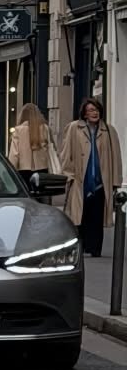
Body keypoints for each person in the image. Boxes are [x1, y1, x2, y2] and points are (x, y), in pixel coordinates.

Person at [59, 96, 122, 258]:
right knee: (80, 215)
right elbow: (65, 153)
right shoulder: (74, 128)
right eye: (91, 110)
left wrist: (116, 181)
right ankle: (81, 247)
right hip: (80, 179)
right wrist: (68, 174)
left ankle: (95, 248)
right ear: (85, 114)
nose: (95, 113)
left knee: (97, 215)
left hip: (101, 181)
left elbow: (116, 157)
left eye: (97, 110)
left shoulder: (108, 130)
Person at [7, 101, 56, 175]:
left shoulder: (18, 130)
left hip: (23, 171)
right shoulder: (45, 129)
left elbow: (14, 155)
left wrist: (10, 172)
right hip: (42, 170)